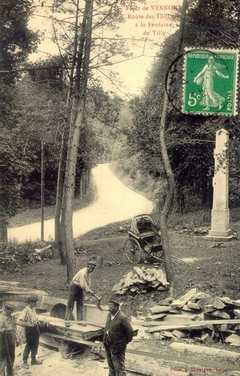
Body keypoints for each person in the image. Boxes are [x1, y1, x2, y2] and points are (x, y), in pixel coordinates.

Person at [103, 299, 134, 376]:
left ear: (117, 307)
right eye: (109, 305)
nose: (109, 307)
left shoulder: (122, 318)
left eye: (111, 305)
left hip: (118, 346)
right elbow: (107, 327)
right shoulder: (109, 315)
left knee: (119, 367)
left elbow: (130, 331)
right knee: (111, 365)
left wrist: (124, 341)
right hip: (108, 343)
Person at [17, 295, 42, 369]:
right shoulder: (26, 310)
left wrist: (37, 322)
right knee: (29, 345)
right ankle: (25, 361)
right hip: (29, 330)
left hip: (35, 328)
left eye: (35, 302)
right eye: (34, 302)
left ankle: (33, 360)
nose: (35, 304)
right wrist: (27, 324)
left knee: (35, 344)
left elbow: (35, 317)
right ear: (30, 302)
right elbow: (19, 321)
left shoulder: (33, 309)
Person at [0, 303, 16, 376]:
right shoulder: (1, 318)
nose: (12, 312)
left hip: (11, 340)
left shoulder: (11, 317)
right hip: (3, 340)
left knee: (11, 358)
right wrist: (3, 329)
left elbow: (13, 327)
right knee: (3, 358)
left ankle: (10, 374)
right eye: (11, 310)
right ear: (6, 309)